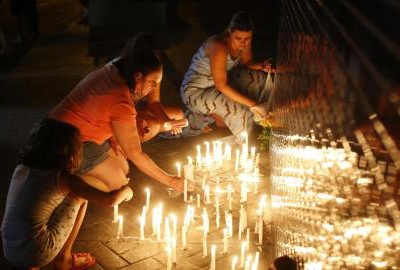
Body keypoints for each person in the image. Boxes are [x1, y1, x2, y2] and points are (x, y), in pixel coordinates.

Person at [50, 34, 185, 193]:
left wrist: (114, 136)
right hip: (66, 141)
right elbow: (135, 154)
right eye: (152, 83)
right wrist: (171, 181)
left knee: (123, 167)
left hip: (64, 127)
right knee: (118, 184)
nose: (154, 88)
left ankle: (76, 178)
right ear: (138, 75)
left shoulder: (117, 67)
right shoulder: (121, 100)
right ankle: (64, 183)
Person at [1, 119, 133, 270]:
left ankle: (30, 265)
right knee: (80, 196)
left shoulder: (21, 168)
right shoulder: (64, 179)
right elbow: (109, 200)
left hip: (10, 247)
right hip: (38, 251)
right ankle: (63, 261)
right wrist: (126, 191)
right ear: (69, 151)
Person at [180, 11, 275, 143]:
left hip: (217, 84)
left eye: (247, 38)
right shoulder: (218, 46)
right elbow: (221, 85)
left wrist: (261, 66)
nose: (243, 43)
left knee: (257, 78)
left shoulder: (244, 41)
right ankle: (241, 141)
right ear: (230, 32)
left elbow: (247, 62)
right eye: (238, 38)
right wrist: (253, 104)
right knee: (241, 109)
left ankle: (258, 117)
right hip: (196, 92)